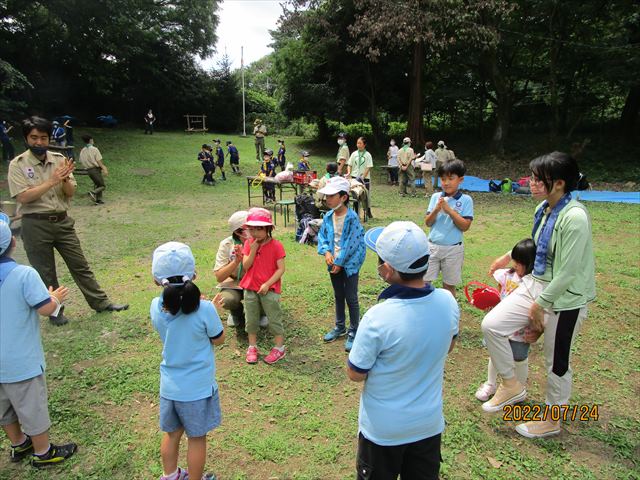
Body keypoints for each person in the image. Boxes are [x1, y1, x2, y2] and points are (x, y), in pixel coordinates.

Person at [481, 152, 595, 439]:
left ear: (558, 184)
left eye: (536, 179)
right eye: (530, 178)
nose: (529, 183)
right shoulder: (544, 208)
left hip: (566, 298)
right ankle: (511, 385)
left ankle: (552, 419)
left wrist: (538, 309)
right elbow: (536, 247)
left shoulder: (575, 217)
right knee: (491, 325)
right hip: (537, 283)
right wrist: (508, 256)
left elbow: (568, 272)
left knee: (556, 362)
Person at [347, 221, 458, 480]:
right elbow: (449, 346)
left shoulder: (379, 316)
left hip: (383, 431)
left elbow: (355, 373)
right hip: (428, 426)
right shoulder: (447, 301)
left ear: (387, 270)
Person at [7, 116, 128, 326]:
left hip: (62, 221)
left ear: (48, 138)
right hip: (35, 223)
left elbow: (70, 192)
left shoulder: (59, 159)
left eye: (43, 138)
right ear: (26, 138)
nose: (39, 142)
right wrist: (52, 180)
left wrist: (63, 180)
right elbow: (23, 197)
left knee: (80, 264)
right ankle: (55, 311)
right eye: (34, 138)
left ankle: (101, 302)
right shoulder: (17, 164)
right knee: (45, 270)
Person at [0, 218, 78, 468]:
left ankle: (18, 443)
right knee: (31, 406)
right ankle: (43, 452)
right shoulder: (24, 275)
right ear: (13, 242)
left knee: (4, 407)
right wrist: (54, 297)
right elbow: (45, 309)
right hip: (20, 361)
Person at [150, 241, 224, 480]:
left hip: (170, 386)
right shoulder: (205, 309)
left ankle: (170, 476)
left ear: (156, 280)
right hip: (198, 389)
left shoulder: (155, 306)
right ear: (193, 275)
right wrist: (211, 309)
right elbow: (219, 338)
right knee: (196, 437)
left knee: (172, 434)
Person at [475, 238, 536, 402]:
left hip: (521, 330)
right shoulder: (508, 275)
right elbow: (500, 293)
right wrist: (493, 305)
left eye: (519, 264)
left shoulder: (534, 283)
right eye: (514, 262)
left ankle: (518, 389)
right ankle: (490, 384)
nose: (515, 266)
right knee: (496, 355)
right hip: (501, 327)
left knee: (519, 359)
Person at [317, 177, 366, 352]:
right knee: (338, 295)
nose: (327, 199)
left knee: (351, 297)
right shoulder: (328, 216)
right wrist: (327, 252)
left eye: (331, 196)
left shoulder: (352, 218)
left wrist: (340, 262)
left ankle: (354, 330)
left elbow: (351, 244)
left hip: (349, 264)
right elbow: (322, 236)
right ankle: (340, 326)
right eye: (326, 196)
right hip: (333, 262)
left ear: (343, 197)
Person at [240, 208, 287, 365]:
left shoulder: (276, 246)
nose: (255, 233)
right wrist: (253, 249)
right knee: (251, 318)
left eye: (259, 228)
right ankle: (252, 346)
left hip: (270, 289)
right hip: (250, 288)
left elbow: (281, 269)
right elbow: (246, 266)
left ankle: (279, 347)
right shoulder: (248, 244)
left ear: (268, 229)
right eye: (252, 229)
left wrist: (268, 284)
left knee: (274, 318)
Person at [423, 159, 474, 298]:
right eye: (443, 179)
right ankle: (426, 308)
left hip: (453, 250)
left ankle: (450, 312)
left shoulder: (466, 200)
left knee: (449, 285)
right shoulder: (435, 197)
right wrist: (436, 210)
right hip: (432, 247)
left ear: (460, 180)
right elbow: (428, 223)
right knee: (425, 282)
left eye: (451, 178)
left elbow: (465, 226)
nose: (446, 182)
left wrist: (449, 211)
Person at [212, 211, 268, 329]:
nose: (254, 230)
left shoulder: (263, 241)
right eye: (249, 228)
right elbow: (219, 276)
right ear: (237, 232)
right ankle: (236, 314)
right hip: (235, 283)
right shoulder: (227, 244)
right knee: (227, 299)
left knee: (265, 289)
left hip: (257, 281)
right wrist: (236, 262)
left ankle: (262, 313)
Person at [346, 137, 374, 219]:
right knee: (355, 196)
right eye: (357, 143)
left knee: (365, 196)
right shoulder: (354, 154)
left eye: (360, 143)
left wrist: (362, 177)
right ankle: (356, 212)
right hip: (354, 177)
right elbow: (349, 164)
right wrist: (349, 173)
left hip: (364, 178)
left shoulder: (368, 155)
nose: (358, 145)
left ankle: (367, 211)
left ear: (364, 144)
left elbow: (368, 167)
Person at [78, 134, 109, 205]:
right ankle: (93, 192)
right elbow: (99, 161)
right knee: (102, 186)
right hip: (95, 169)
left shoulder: (82, 150)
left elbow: (81, 161)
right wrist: (104, 168)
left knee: (98, 184)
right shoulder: (94, 149)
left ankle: (98, 200)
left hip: (88, 170)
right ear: (91, 140)